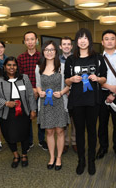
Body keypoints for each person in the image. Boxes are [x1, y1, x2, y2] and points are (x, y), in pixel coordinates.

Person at [65, 28, 107, 175]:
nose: (83, 41)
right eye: (80, 38)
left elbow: (104, 78)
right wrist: (71, 79)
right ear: (76, 41)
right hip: (77, 101)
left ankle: (91, 161)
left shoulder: (98, 58)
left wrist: (98, 79)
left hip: (93, 100)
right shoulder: (71, 59)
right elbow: (66, 80)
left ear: (89, 40)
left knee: (91, 131)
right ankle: (81, 160)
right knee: (80, 132)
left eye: (86, 38)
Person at [0, 56, 37, 169]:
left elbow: (30, 95)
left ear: (17, 67)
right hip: (7, 112)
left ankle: (24, 155)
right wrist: (6, 103)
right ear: (4, 67)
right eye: (9, 65)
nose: (12, 67)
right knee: (9, 135)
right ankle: (16, 155)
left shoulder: (24, 78)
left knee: (24, 134)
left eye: (14, 65)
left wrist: (33, 109)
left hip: (23, 110)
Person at [35, 40, 70, 170]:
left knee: (60, 131)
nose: (49, 52)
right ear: (43, 52)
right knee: (49, 131)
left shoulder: (62, 66)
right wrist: (40, 92)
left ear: (56, 52)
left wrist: (61, 93)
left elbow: (68, 85)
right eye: (46, 50)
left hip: (59, 102)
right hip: (45, 104)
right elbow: (38, 85)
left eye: (52, 50)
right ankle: (51, 156)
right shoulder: (38, 67)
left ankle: (59, 157)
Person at [96, 29, 116, 160]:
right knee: (102, 123)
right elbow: (95, 78)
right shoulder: (96, 58)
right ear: (102, 42)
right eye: (106, 39)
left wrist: (114, 93)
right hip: (101, 94)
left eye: (112, 38)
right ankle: (103, 147)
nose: (109, 41)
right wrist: (108, 87)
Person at [17, 31, 48, 151]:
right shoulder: (20, 58)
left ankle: (41, 140)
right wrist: (31, 91)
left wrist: (37, 90)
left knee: (41, 117)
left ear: (36, 41)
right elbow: (19, 77)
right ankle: (29, 141)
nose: (30, 42)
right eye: (27, 40)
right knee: (27, 118)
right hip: (25, 93)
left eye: (32, 39)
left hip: (41, 92)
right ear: (24, 42)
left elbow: (45, 75)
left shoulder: (42, 57)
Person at [59, 36, 77, 154]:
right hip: (61, 94)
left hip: (75, 94)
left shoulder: (77, 59)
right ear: (60, 47)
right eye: (64, 44)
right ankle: (65, 142)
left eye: (68, 44)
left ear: (71, 46)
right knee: (64, 120)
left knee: (75, 120)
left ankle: (74, 142)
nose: (66, 46)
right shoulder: (55, 61)